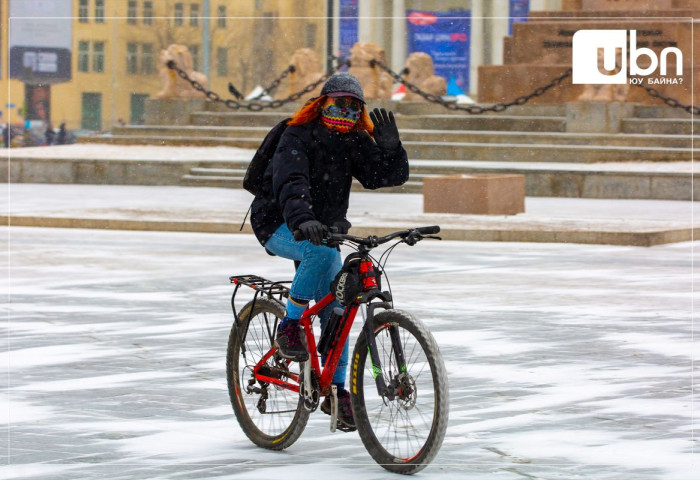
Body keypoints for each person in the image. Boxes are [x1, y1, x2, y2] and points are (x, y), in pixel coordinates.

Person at [249, 72, 408, 431]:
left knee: (337, 311)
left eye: (355, 107)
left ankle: (337, 393)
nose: (347, 111)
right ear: (322, 103)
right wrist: (303, 219)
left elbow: (382, 176)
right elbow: (291, 182)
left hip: (326, 231)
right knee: (318, 257)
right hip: (279, 222)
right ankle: (289, 325)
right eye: (339, 103)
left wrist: (392, 150)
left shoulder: (353, 139)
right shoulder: (296, 134)